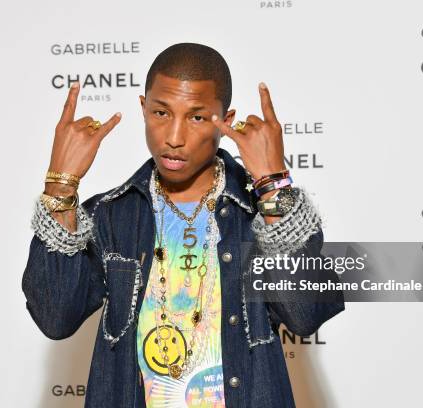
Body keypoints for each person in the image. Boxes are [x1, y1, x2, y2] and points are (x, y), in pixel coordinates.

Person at [22, 42, 344, 408]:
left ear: (225, 120)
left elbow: (306, 315)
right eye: (161, 112)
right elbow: (55, 317)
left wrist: (271, 185)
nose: (174, 137)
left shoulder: (259, 215)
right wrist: (60, 185)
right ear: (143, 108)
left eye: (196, 117)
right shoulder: (111, 217)